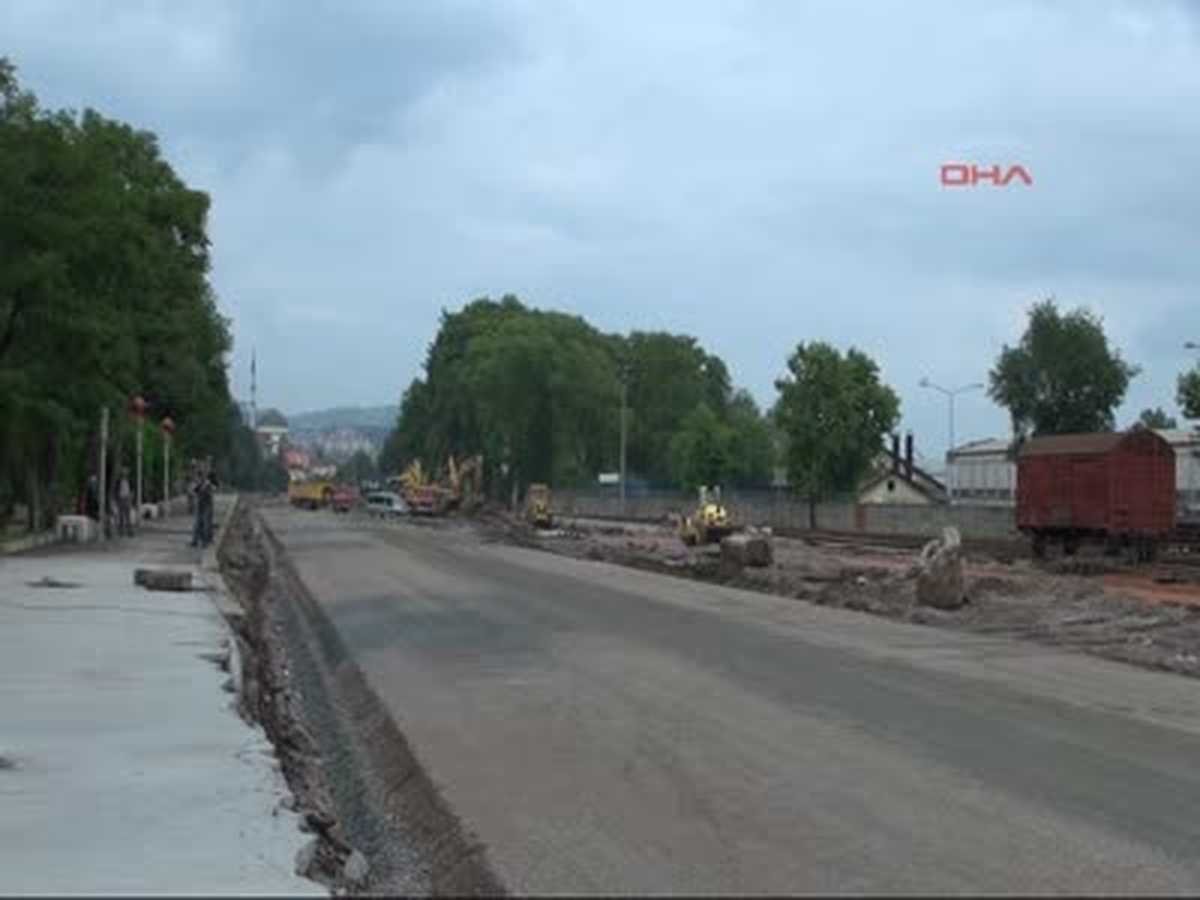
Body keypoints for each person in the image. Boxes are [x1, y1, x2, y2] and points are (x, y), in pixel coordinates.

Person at [116, 468, 133, 536]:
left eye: (126, 472)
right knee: (121, 516)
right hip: (121, 498)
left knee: (128, 516)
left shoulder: (130, 480)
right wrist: (117, 498)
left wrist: (131, 497)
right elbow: (116, 490)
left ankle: (129, 531)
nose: (124, 473)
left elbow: (132, 489)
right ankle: (121, 531)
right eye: (123, 472)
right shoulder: (119, 481)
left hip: (127, 498)